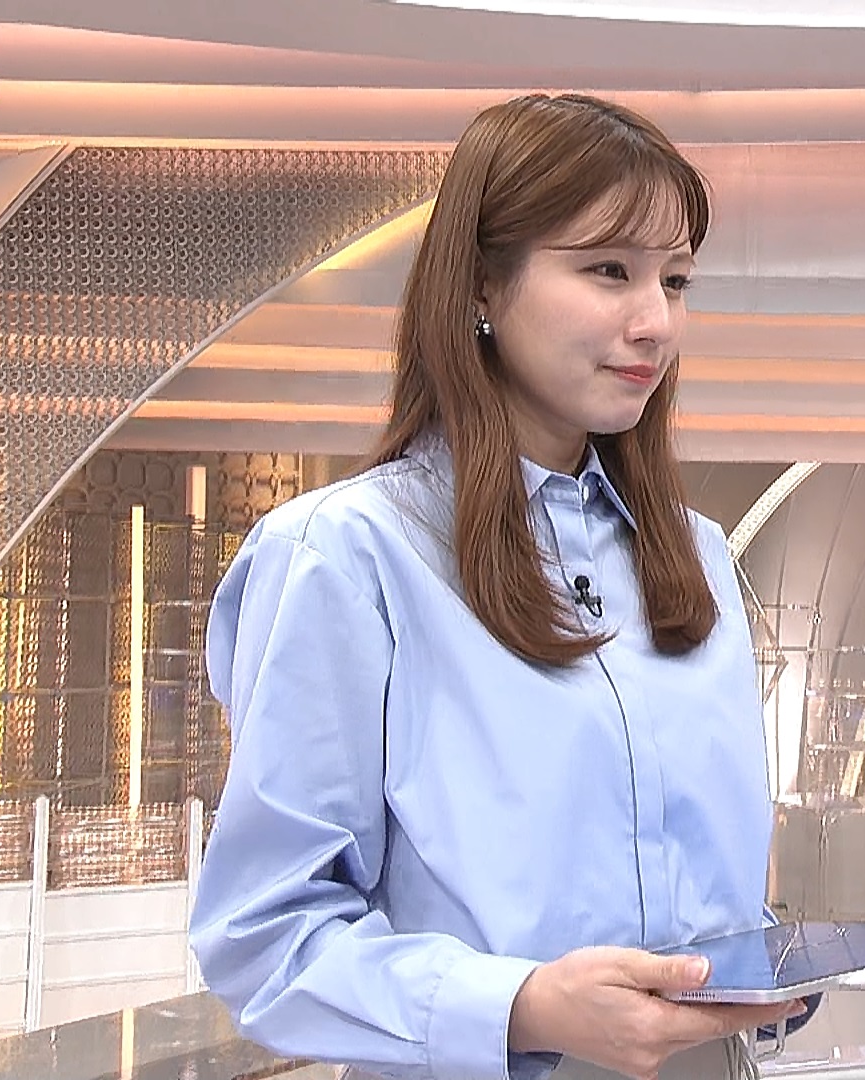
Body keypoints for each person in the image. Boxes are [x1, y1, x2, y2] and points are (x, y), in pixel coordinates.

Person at [189, 94, 802, 1080]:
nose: (655, 322)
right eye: (609, 270)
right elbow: (266, 936)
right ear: (482, 282)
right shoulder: (347, 554)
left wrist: (763, 965)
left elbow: (695, 885)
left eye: (676, 280)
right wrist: (523, 1006)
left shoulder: (698, 557)